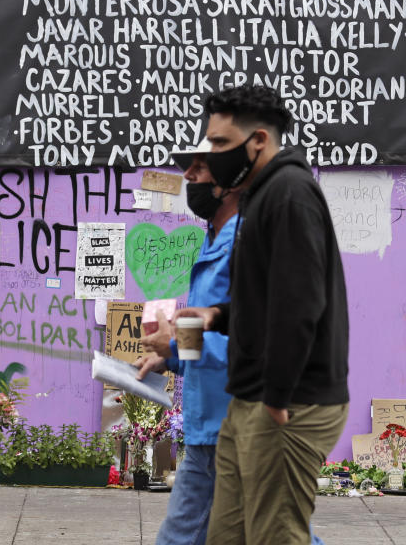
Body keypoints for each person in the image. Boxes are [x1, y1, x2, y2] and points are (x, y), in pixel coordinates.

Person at [173, 85, 349, 545]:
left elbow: (301, 305)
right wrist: (216, 316)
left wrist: (276, 397)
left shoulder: (290, 195)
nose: (211, 155)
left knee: (276, 535)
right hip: (247, 397)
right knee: (227, 535)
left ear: (258, 143)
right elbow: (267, 300)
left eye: (219, 144)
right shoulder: (259, 198)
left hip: (291, 401)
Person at [134, 139, 238, 545]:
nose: (188, 177)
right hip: (208, 429)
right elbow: (214, 338)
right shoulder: (211, 243)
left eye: (200, 168)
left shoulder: (244, 247)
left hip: (232, 431)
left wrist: (177, 346)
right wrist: (171, 357)